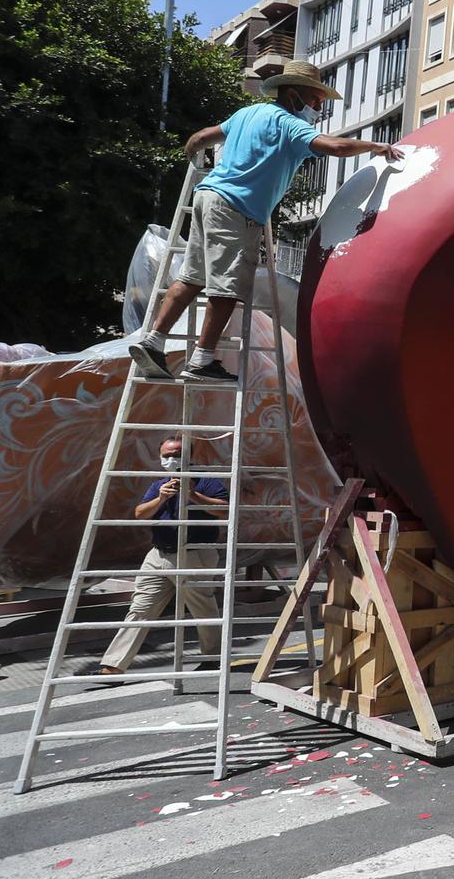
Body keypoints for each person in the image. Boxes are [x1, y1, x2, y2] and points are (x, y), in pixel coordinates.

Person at [127, 62, 403, 385]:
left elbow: (201, 137)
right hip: (236, 208)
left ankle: (152, 341)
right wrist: (375, 146)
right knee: (227, 288)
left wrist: (195, 158)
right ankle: (202, 360)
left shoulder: (246, 114)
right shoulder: (290, 125)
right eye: (315, 100)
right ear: (293, 94)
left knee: (190, 278)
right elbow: (336, 147)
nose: (318, 108)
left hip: (206, 197)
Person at [91, 438, 230, 675]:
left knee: (202, 607)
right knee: (140, 608)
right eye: (165, 455)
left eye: (175, 454)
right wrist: (162, 498)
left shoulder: (206, 481)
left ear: (188, 456)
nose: (170, 460)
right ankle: (113, 665)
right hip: (158, 555)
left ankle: (214, 657)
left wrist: (193, 495)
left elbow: (225, 508)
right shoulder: (159, 485)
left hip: (193, 554)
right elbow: (140, 513)